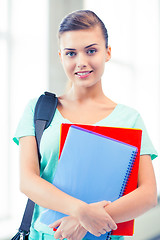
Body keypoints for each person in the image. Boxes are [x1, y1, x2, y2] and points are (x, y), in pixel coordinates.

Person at [13, 10, 158, 240]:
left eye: (91, 50)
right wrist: (81, 212)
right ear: (61, 56)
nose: (81, 62)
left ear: (107, 52)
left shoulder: (130, 119)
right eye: (71, 53)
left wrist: (85, 222)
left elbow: (148, 195)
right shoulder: (38, 110)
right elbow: (28, 181)